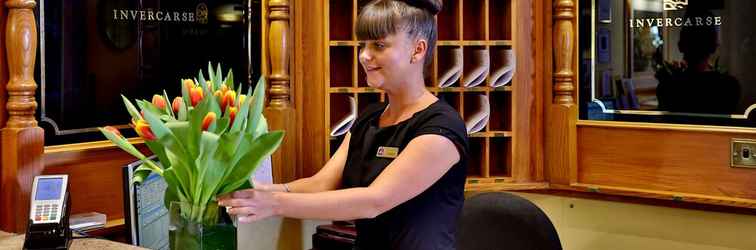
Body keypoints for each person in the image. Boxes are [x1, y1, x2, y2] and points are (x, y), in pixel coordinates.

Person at [218, 0, 469, 249]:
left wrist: (273, 203)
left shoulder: (441, 128)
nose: (364, 56)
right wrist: (261, 191)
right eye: (364, 45)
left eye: (379, 45)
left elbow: (374, 201)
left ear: (418, 49)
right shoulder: (370, 118)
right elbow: (322, 183)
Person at [655, 9, 741, 114]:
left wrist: (671, 79)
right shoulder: (729, 87)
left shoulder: (667, 87)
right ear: (714, 46)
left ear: (680, 45)